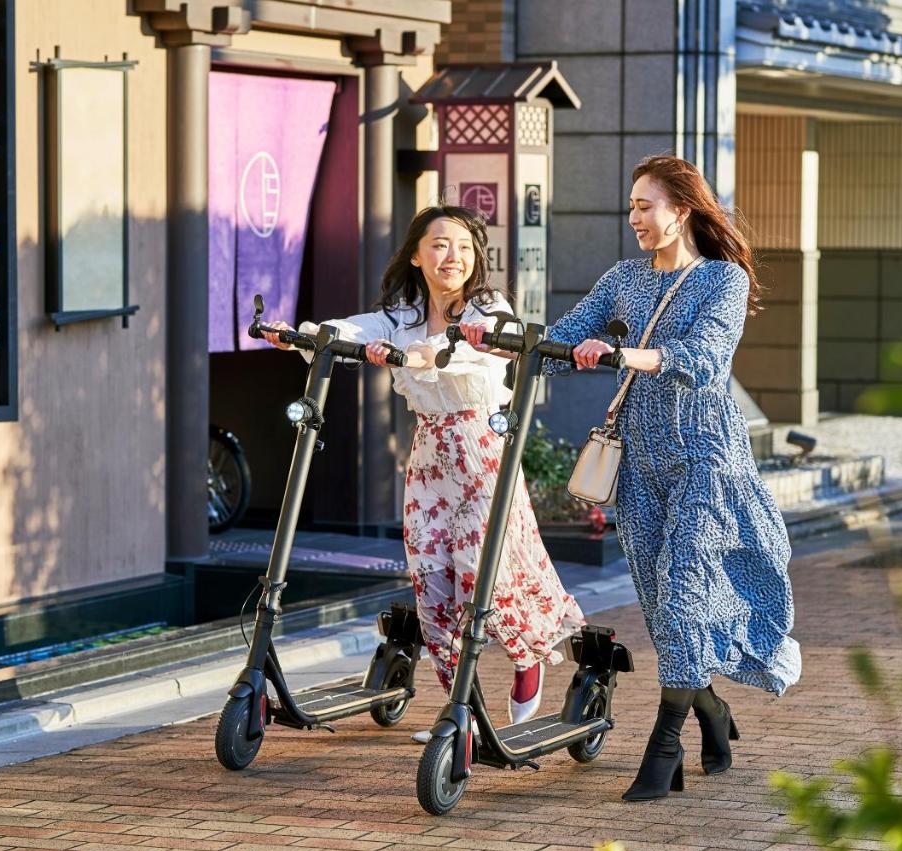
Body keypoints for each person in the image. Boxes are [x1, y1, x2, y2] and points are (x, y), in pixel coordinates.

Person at [464, 155, 800, 799]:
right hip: (639, 464)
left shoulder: (721, 281)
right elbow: (561, 345)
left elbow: (702, 362)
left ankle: (665, 741)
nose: (634, 219)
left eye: (645, 207)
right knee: (661, 600)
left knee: (681, 589)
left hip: (707, 457)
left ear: (683, 210)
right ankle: (713, 713)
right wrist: (499, 341)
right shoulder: (623, 278)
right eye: (631, 208)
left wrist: (622, 354)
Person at [261, 205, 586, 742]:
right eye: (438, 244)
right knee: (432, 575)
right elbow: (355, 329)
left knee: (492, 572)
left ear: (476, 255)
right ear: (416, 255)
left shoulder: (488, 307)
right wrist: (305, 335)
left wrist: (421, 354)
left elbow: (471, 346)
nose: (451, 256)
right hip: (431, 457)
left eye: (462, 246)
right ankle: (462, 712)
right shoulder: (404, 314)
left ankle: (527, 662)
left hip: (484, 454)